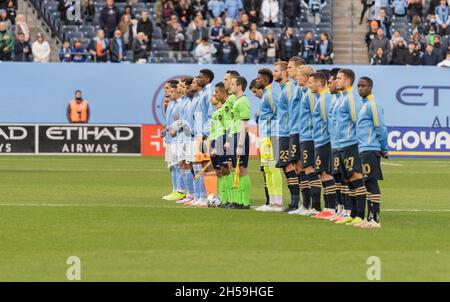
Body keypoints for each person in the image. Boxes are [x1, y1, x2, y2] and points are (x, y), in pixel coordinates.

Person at [333, 69, 367, 226]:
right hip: (341, 145)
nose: (336, 81)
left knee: (356, 177)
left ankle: (361, 214)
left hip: (350, 144)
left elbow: (357, 121)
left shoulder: (351, 98)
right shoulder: (342, 98)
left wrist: (359, 143)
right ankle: (353, 214)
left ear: (347, 81)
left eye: (339, 78)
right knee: (348, 180)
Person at [356, 77, 388, 228]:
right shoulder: (364, 105)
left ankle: (375, 218)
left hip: (370, 148)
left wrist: (384, 147)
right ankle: (369, 218)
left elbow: (381, 127)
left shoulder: (373, 105)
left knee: (371, 182)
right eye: (358, 86)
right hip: (363, 148)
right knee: (366, 182)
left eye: (363, 86)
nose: (360, 88)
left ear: (370, 88)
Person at [307, 71, 338, 220]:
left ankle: (331, 207)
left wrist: (331, 141)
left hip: (325, 141)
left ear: (319, 83)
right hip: (320, 140)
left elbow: (328, 122)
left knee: (326, 174)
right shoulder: (321, 98)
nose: (309, 85)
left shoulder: (325, 99)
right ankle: (328, 207)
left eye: (311, 82)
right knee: (322, 174)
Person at [254, 69, 284, 212]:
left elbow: (279, 113)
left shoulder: (271, 94)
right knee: (267, 168)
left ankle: (278, 202)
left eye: (258, 78)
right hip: (265, 136)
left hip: (272, 135)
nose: (256, 81)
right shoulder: (266, 94)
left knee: (273, 168)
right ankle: (272, 202)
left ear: (265, 80)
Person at [228, 76, 251, 209]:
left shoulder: (243, 101)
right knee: (234, 169)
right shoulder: (236, 101)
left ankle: (244, 201)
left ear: (239, 86)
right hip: (234, 136)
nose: (230, 86)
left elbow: (245, 125)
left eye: (232, 84)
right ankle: (237, 200)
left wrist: (240, 145)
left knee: (242, 169)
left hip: (240, 137)